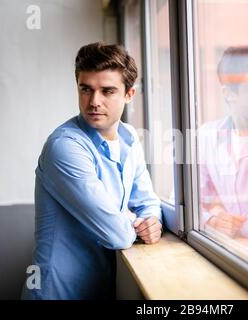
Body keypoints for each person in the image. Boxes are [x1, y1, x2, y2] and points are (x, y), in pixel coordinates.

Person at [21, 43, 162, 300]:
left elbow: (147, 202)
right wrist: (132, 220)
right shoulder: (64, 147)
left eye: (107, 91)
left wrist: (152, 221)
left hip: (100, 289)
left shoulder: (129, 137)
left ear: (129, 94)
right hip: (57, 293)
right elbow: (116, 234)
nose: (94, 102)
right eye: (86, 89)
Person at [198, 46, 248, 241]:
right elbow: (185, 201)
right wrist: (213, 219)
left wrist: (219, 213)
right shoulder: (208, 136)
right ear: (229, 93)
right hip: (241, 254)